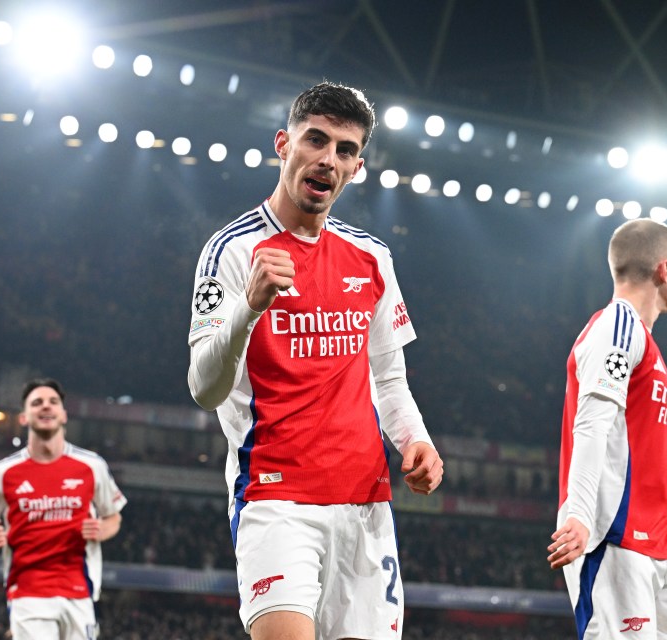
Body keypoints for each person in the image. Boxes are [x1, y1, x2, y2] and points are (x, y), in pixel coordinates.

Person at [187, 81, 444, 640]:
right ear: (284, 144)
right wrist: (249, 309)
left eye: (346, 150)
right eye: (316, 140)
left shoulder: (372, 258)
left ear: (356, 168)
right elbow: (203, 388)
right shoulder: (230, 251)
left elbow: (388, 378)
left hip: (365, 504)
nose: (329, 159)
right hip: (276, 499)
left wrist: (416, 440)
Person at [547, 219, 667, 639]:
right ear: (664, 269)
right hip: (614, 536)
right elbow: (592, 424)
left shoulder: (647, 346)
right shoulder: (618, 326)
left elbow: (630, 453)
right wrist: (580, 515)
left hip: (664, 539)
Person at [0, 378, 127, 640]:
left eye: (53, 402)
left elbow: (113, 517)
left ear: (64, 415)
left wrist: (102, 530)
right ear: (23, 417)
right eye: (37, 403)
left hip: (81, 590)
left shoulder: (92, 466)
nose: (46, 407)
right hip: (28, 591)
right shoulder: (2, 473)